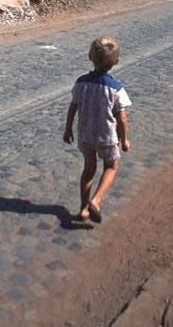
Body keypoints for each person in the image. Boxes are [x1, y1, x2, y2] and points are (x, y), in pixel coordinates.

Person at [62, 36, 132, 223]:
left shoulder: (81, 83)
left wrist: (68, 129)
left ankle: (83, 210)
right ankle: (96, 200)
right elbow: (122, 118)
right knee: (111, 166)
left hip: (85, 136)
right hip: (107, 137)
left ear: (89, 56)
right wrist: (124, 140)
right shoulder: (116, 89)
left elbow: (73, 107)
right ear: (116, 61)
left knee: (88, 170)